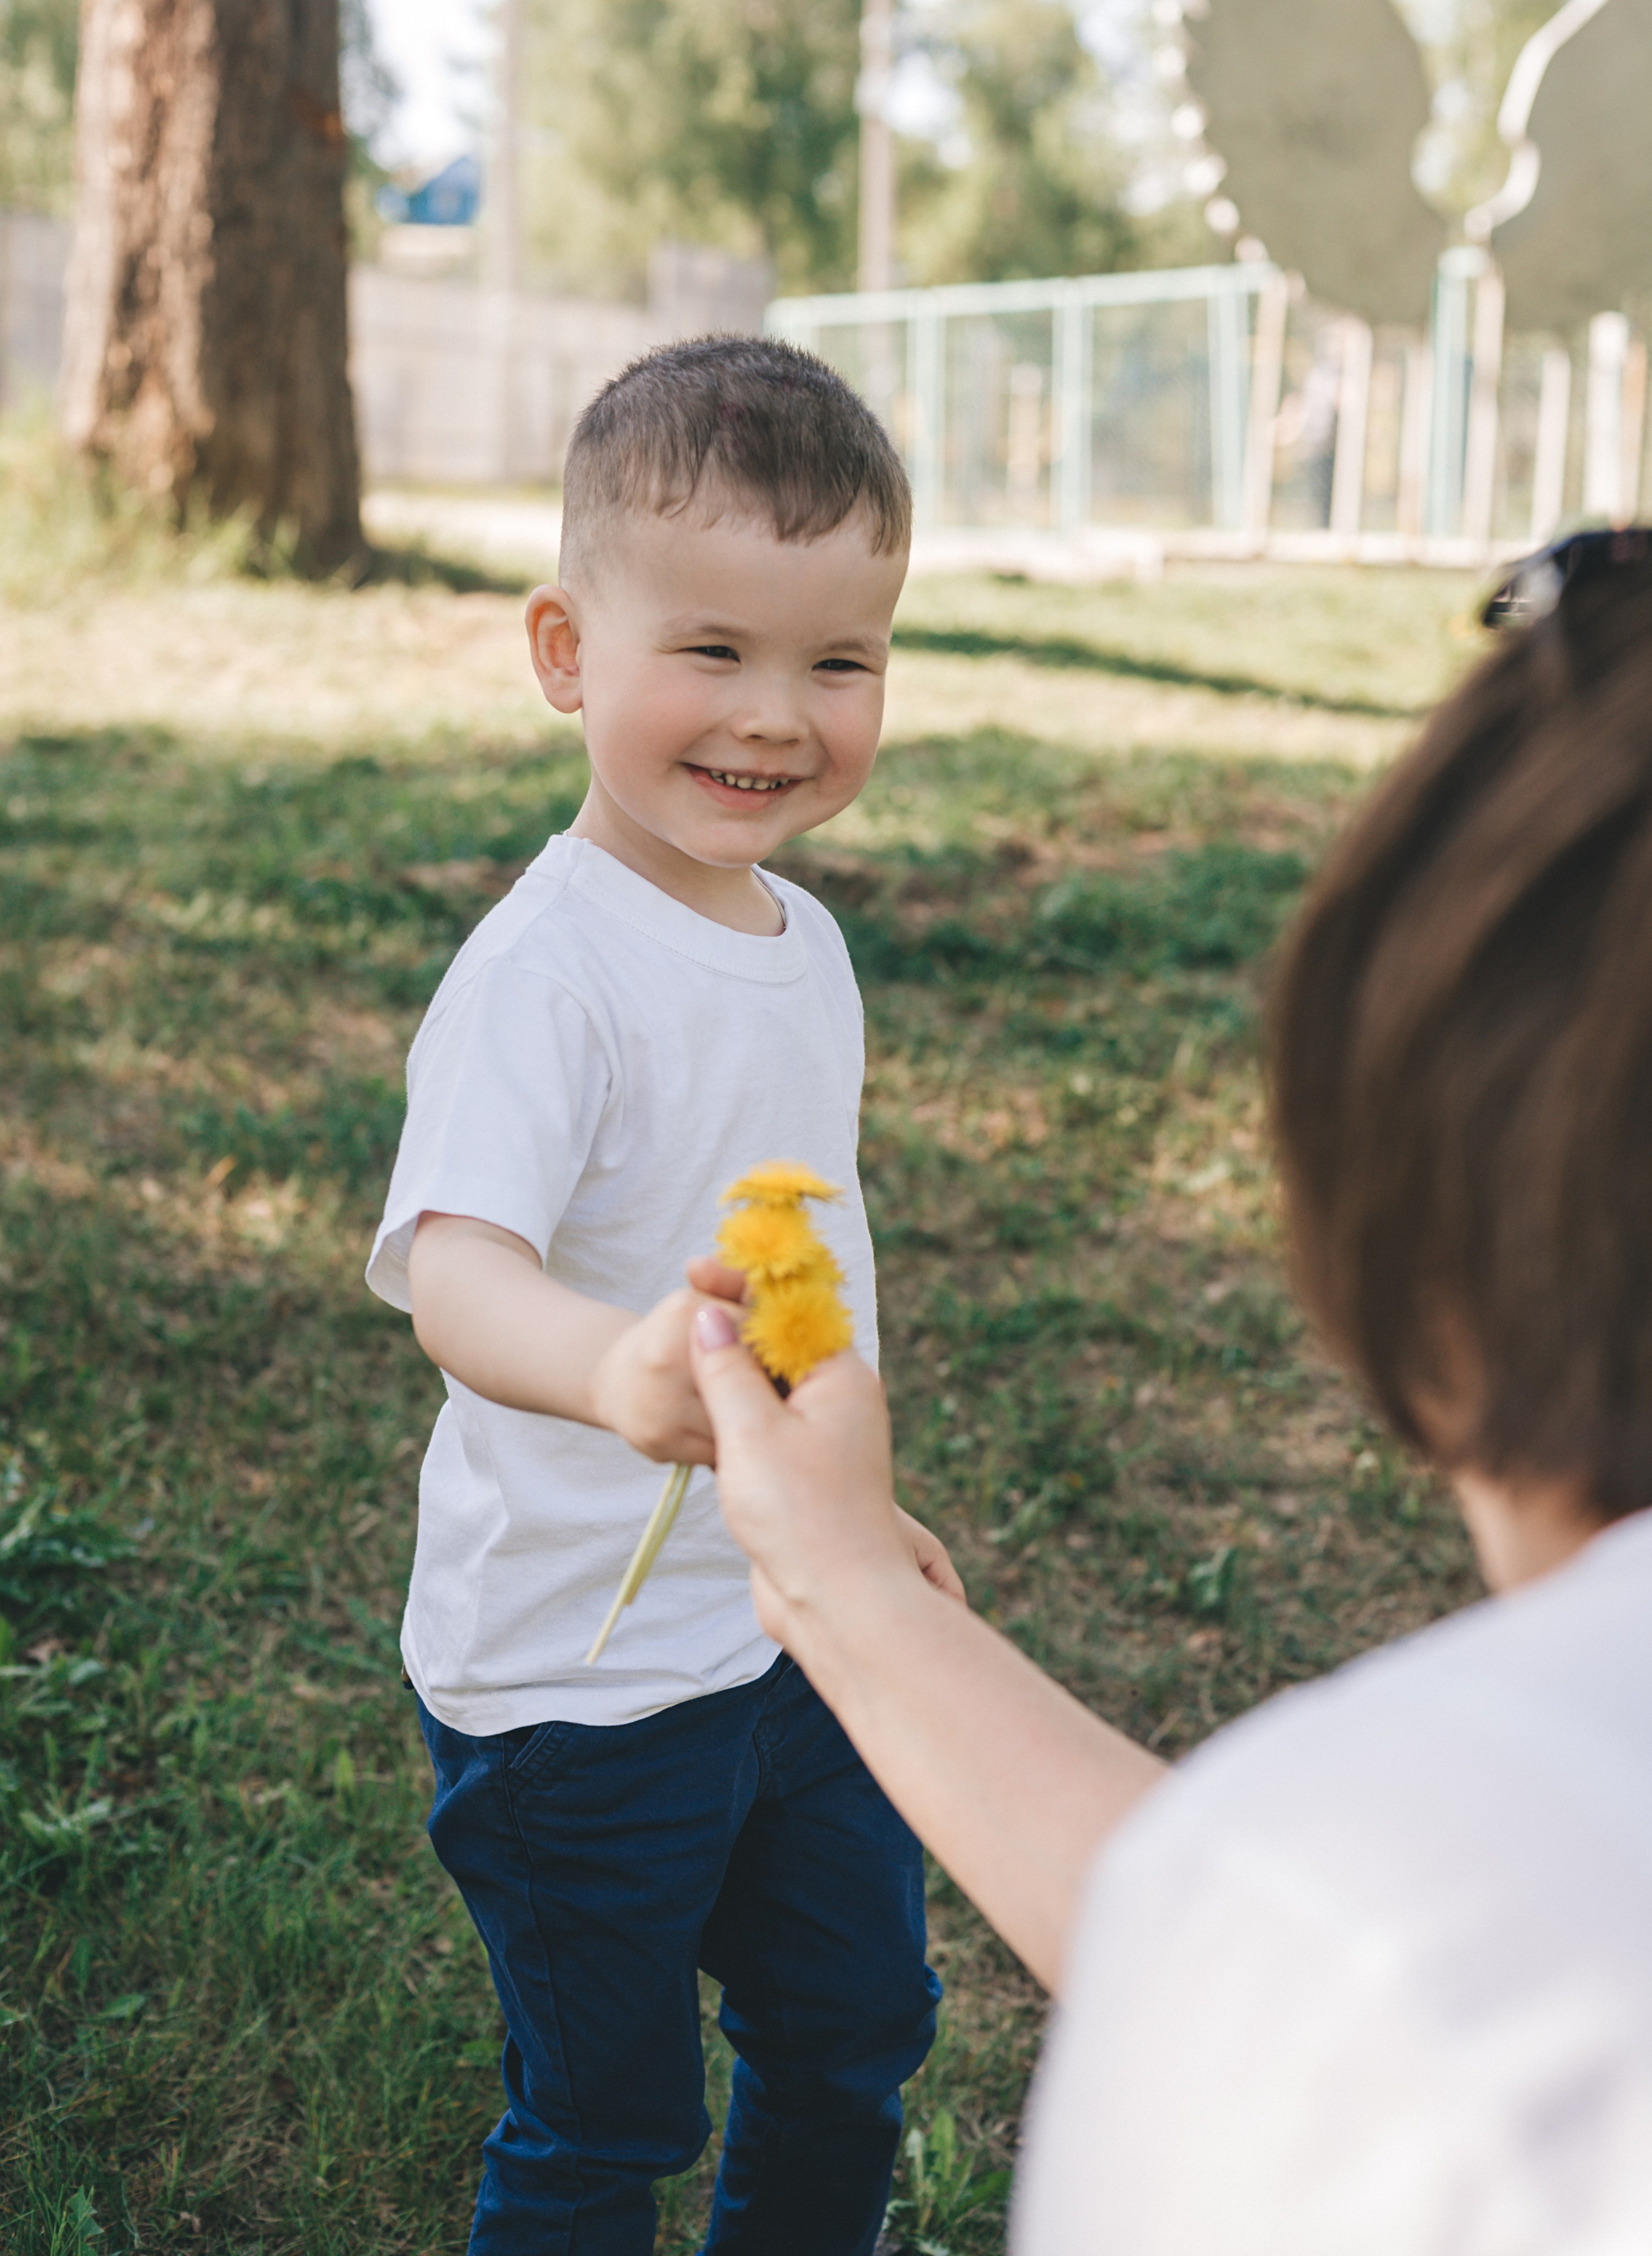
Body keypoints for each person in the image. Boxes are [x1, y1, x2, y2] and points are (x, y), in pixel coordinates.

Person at [687, 527, 1652, 2252]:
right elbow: (1270, 1941)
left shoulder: (1397, 1912)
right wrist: (837, 1582)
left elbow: (1334, 1971)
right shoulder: (1362, 1916)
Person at [366, 337, 964, 2256]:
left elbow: (813, 1287)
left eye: (838, 660)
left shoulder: (810, 943)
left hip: (786, 1625)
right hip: (580, 1682)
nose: (776, 717)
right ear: (565, 654)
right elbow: (454, 1269)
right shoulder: (545, 975)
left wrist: (855, 1522)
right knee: (606, 2118)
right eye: (711, 651)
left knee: (855, 2025)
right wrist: (613, 1368)